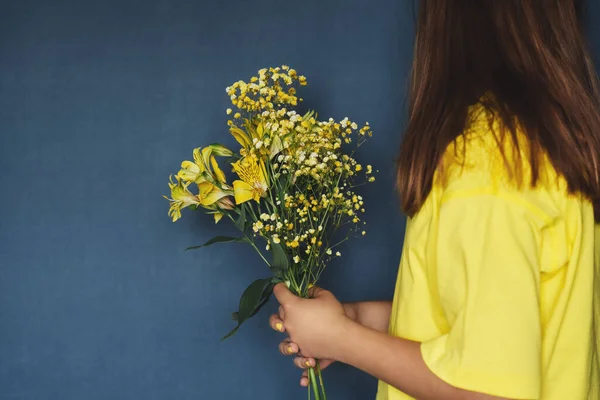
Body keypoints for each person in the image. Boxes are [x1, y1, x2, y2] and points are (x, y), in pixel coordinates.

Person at [268, 1, 600, 399]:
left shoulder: (487, 164)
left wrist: (341, 339)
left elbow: (487, 390)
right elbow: (506, 323)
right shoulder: (549, 150)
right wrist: (358, 323)